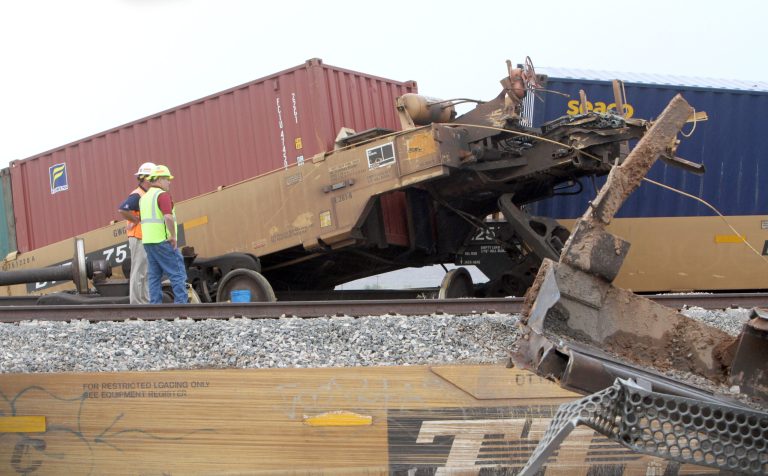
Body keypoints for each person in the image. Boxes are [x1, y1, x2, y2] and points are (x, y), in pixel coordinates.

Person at [139, 164, 188, 304]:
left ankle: (155, 308)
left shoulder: (144, 198)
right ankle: (182, 307)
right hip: (162, 241)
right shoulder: (162, 195)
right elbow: (167, 217)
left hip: (148, 242)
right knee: (177, 273)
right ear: (159, 179)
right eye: (167, 179)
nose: (169, 182)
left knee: (154, 277)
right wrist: (172, 236)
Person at [117, 162, 155, 304]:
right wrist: (136, 220)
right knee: (138, 271)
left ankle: (144, 302)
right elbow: (122, 209)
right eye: (153, 177)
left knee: (144, 271)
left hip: (143, 237)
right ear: (146, 178)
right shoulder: (138, 195)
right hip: (137, 237)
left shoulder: (144, 194)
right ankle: (137, 303)